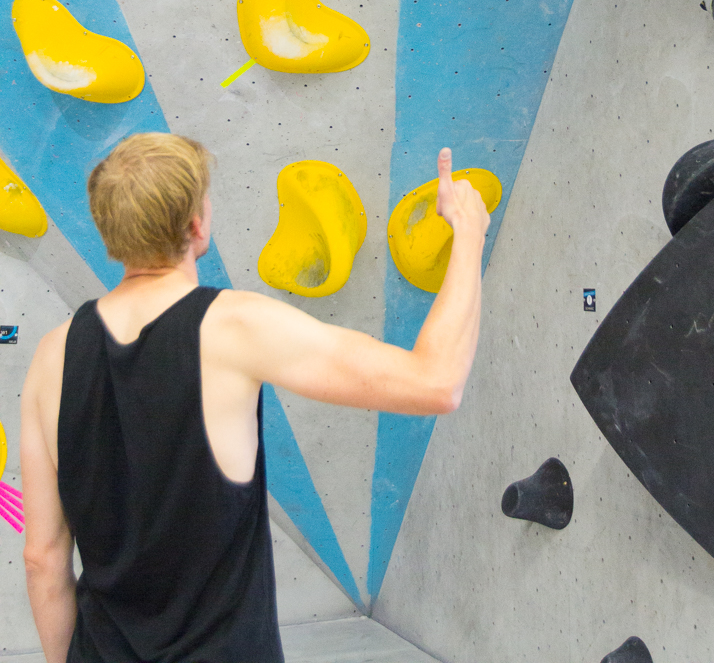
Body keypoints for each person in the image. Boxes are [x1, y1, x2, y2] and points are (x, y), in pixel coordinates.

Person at [20, 133, 490, 663]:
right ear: (197, 226)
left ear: (110, 235)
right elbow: (436, 381)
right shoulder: (234, 326)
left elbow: (42, 559)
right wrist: (468, 236)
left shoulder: (52, 356)